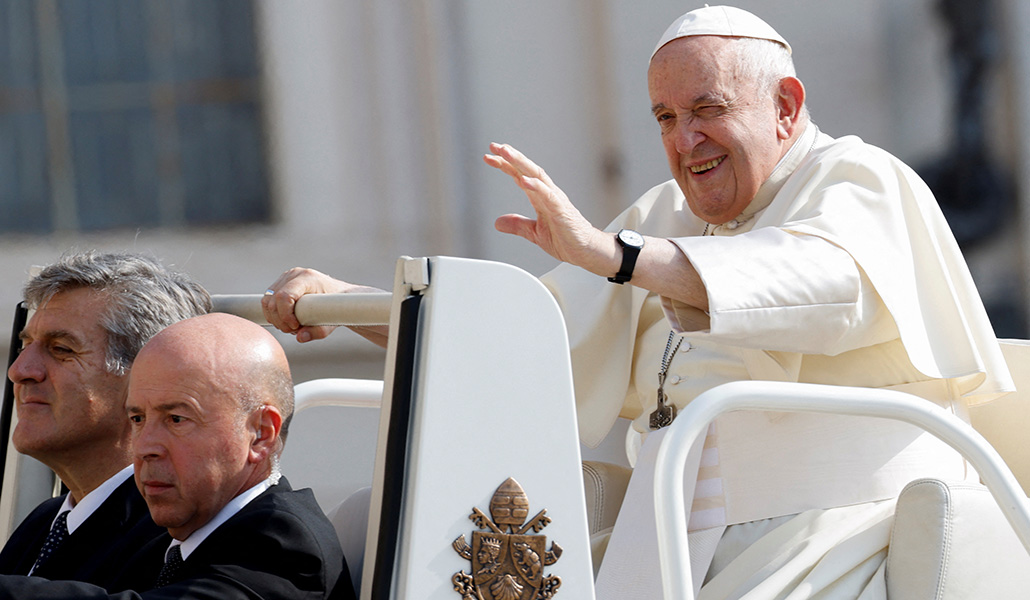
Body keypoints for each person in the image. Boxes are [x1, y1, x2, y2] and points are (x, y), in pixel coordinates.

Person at [260, 5, 1014, 598]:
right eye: (664, 118)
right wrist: (352, 301)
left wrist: (612, 255)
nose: (686, 141)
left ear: (786, 105)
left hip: (832, 536)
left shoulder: (861, 180)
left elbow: (811, 282)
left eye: (706, 109)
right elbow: (523, 340)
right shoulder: (665, 216)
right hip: (670, 533)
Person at [0, 312, 354, 599]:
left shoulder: (280, 544)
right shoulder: (186, 530)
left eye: (176, 419)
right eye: (138, 418)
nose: (144, 446)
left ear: (260, 433)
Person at [0, 251, 210, 587]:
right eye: (26, 345)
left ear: (145, 376)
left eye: (61, 349)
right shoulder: (43, 523)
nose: (19, 370)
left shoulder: (178, 534)